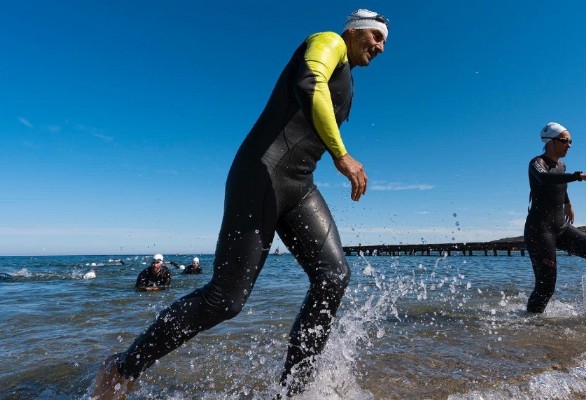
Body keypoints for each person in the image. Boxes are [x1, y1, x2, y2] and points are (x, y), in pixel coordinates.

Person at [93, 9, 388, 399]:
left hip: (298, 185)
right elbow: (309, 81)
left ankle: (294, 392)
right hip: (260, 175)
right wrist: (341, 154)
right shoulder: (329, 41)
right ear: (354, 30)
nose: (381, 47)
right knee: (224, 300)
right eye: (376, 36)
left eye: (384, 42)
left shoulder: (349, 77)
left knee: (334, 276)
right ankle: (122, 370)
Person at [524, 122, 586, 314]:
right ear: (550, 141)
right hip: (539, 231)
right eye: (564, 141)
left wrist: (568, 203)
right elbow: (545, 179)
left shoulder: (562, 166)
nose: (569, 145)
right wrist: (581, 176)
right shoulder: (537, 163)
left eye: (570, 141)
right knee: (546, 287)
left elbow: (560, 184)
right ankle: (530, 325)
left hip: (560, 228)